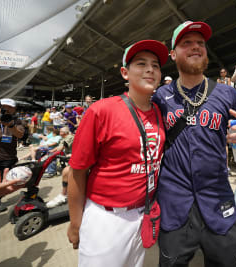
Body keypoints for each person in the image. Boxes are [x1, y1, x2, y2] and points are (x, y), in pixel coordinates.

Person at [152, 21, 236, 266]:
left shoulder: (227, 94)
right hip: (174, 203)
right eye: (186, 43)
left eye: (200, 43)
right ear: (173, 54)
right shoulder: (160, 97)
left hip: (218, 199)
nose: (195, 47)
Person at [67, 39, 168, 267]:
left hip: (143, 214)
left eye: (156, 65)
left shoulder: (160, 113)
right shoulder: (101, 111)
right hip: (107, 219)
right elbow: (77, 172)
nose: (150, 69)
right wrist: (75, 223)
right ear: (125, 73)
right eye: (141, 63)